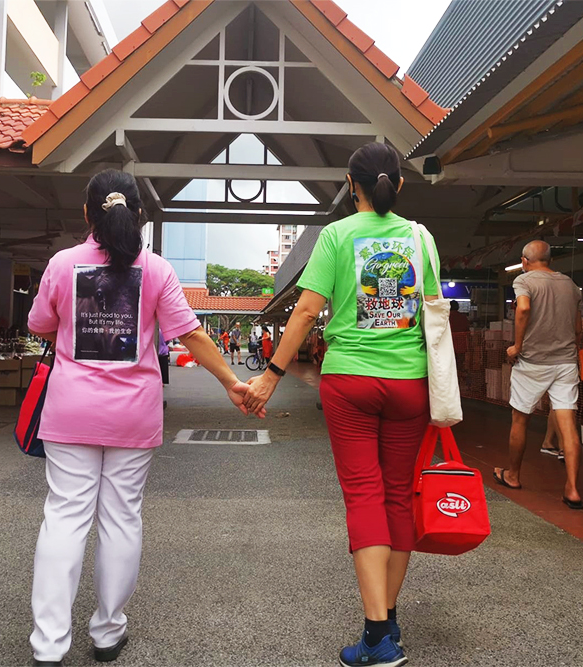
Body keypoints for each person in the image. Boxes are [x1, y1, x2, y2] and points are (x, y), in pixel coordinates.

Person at [25, 169, 263, 666]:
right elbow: (192, 334)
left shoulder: (62, 264)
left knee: (64, 517)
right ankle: (108, 633)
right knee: (121, 519)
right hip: (133, 417)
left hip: (70, 412)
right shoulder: (156, 270)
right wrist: (232, 383)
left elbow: (40, 324)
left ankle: (48, 645)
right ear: (138, 214)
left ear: (87, 213)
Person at [243, 142, 440, 667]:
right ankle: (387, 620)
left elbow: (306, 311)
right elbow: (434, 313)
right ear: (397, 184)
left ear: (351, 186)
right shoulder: (421, 238)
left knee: (364, 497)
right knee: (398, 496)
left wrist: (270, 375)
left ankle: (378, 633)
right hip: (409, 382)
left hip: (350, 381)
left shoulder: (336, 236)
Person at [493, 240, 583, 509]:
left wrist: (517, 346)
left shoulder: (524, 281)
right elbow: (578, 328)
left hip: (532, 362)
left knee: (520, 419)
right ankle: (573, 488)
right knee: (567, 423)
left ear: (524, 261)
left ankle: (512, 475)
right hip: (566, 362)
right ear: (550, 260)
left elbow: (523, 308)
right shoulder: (569, 284)